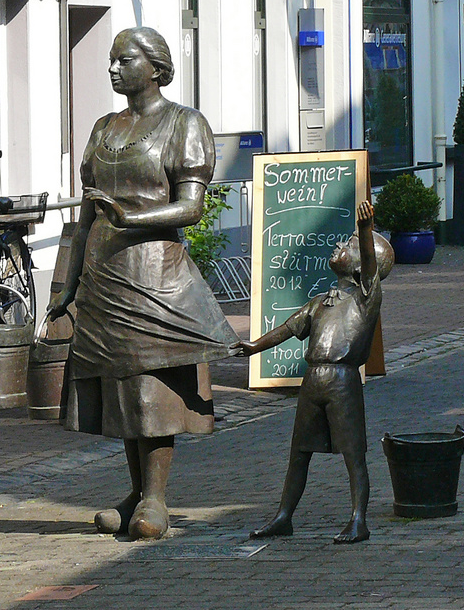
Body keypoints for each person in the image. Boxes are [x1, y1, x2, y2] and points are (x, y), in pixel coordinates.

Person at [48, 27, 238, 541]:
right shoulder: (103, 128)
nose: (112, 69)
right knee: (121, 388)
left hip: (155, 273)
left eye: (123, 60)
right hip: (105, 274)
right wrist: (66, 286)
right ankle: (134, 491)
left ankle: (156, 497)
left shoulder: (184, 124)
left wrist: (130, 218)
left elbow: (192, 207)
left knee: (152, 385)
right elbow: (87, 214)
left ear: (155, 67)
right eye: (110, 61)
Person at [231, 199, 393, 544]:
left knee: (353, 454)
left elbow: (369, 263)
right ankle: (283, 517)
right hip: (313, 380)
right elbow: (288, 329)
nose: (339, 246)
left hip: (343, 380)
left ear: (363, 268)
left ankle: (358, 519)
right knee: (298, 453)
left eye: (347, 245)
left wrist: (364, 230)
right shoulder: (320, 301)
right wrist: (253, 347)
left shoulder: (366, 296)